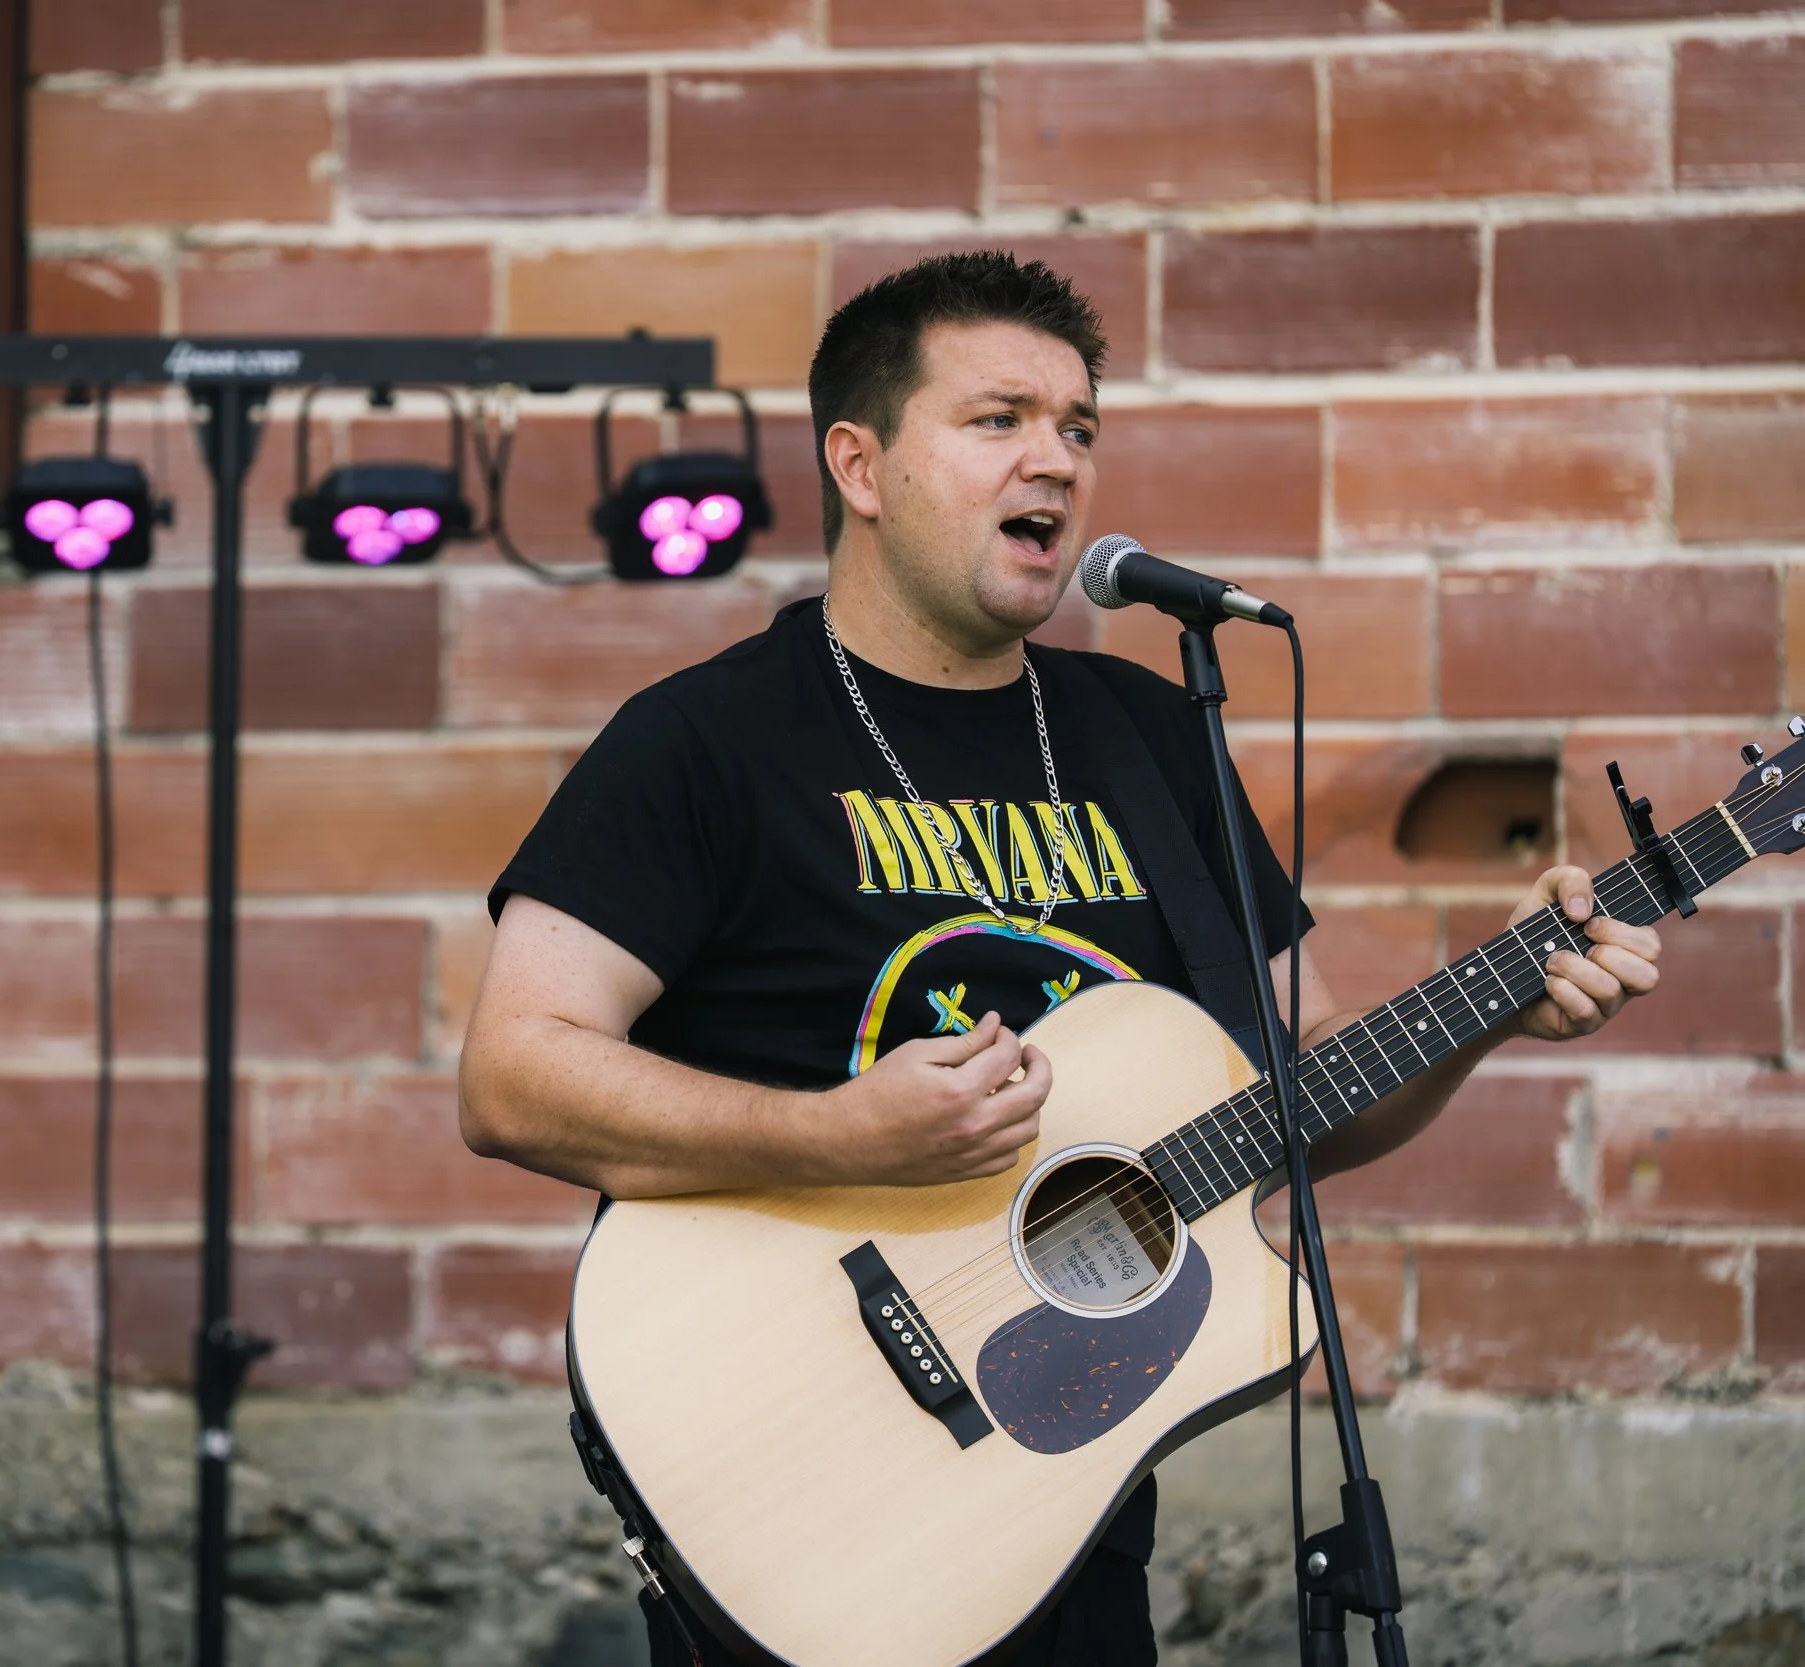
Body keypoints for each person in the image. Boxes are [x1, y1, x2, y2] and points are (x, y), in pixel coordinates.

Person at [457, 252, 1664, 1666]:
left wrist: (1492, 1008)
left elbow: (1301, 1095)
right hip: (801, 1462)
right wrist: (842, 1134)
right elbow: (512, 1077)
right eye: (999, 419)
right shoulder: (706, 742)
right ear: (861, 462)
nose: (1056, 459)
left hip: (1058, 1510)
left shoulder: (1145, 739)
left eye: (1079, 426)